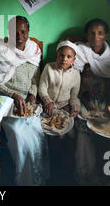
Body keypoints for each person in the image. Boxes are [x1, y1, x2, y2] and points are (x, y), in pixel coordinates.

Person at [0, 16, 46, 185]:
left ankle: (37, 177)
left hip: (28, 104)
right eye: (15, 32)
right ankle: (24, 179)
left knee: (36, 136)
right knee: (20, 136)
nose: (19, 36)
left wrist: (32, 95)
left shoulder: (34, 51)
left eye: (23, 31)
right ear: (8, 32)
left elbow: (35, 79)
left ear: (28, 32)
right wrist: (14, 96)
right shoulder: (1, 49)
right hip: (6, 100)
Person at [72, 18, 110, 185]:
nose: (96, 37)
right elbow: (73, 81)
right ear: (86, 35)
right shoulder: (80, 51)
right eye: (92, 33)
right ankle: (84, 173)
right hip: (84, 99)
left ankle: (107, 175)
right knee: (84, 126)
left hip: (106, 101)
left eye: (100, 33)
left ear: (106, 35)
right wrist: (84, 99)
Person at [38, 41, 81, 185]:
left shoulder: (75, 75)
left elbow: (74, 96)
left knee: (70, 134)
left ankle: (67, 170)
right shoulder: (49, 68)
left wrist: (75, 110)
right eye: (61, 55)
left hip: (65, 107)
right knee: (54, 134)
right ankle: (51, 169)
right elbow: (42, 88)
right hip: (48, 106)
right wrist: (47, 102)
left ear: (73, 60)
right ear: (57, 55)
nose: (64, 59)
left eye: (69, 57)